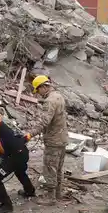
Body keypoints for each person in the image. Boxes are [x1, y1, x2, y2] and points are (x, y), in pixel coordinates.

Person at [31, 75, 68, 205]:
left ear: (43, 87)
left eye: (38, 90)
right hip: (62, 138)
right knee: (58, 167)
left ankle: (50, 197)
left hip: (53, 140)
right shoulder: (59, 96)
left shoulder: (49, 101)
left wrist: (30, 134)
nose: (38, 94)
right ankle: (58, 193)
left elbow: (44, 122)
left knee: (50, 167)